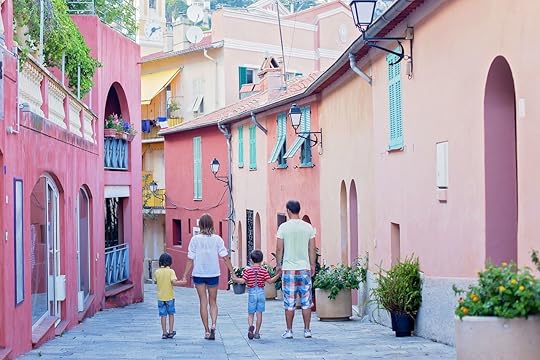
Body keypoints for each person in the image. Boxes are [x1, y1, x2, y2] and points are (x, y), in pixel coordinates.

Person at [181, 213, 237, 340]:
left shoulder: (195, 240)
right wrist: (232, 272)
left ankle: (206, 331)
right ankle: (213, 324)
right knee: (213, 301)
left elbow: (190, 259)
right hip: (213, 274)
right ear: (212, 224)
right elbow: (225, 257)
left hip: (199, 274)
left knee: (203, 301)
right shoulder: (217, 239)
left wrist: (184, 275)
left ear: (200, 225)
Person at [275, 200, 316, 339]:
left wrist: (279, 264)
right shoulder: (308, 227)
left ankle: (289, 330)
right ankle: (307, 330)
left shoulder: (283, 227)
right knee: (306, 301)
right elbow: (312, 248)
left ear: (288, 210)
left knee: (289, 302)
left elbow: (279, 248)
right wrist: (312, 265)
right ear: (299, 210)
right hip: (304, 268)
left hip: (288, 269)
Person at [232, 250, 281, 340]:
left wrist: (235, 279)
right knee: (259, 314)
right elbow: (270, 281)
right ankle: (257, 333)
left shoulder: (248, 271)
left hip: (252, 293)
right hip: (261, 293)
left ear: (251, 260)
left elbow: (243, 281)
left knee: (251, 313)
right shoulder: (263, 271)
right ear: (261, 260)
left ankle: (251, 326)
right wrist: (278, 275)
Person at [154, 252, 186, 339]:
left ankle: (164, 332)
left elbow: (155, 281)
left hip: (160, 297)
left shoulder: (157, 272)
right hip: (170, 297)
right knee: (171, 314)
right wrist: (183, 282)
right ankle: (171, 332)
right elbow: (174, 282)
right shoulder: (171, 271)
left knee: (163, 315)